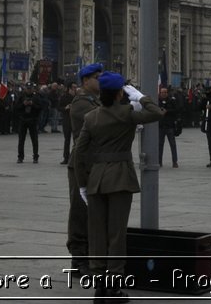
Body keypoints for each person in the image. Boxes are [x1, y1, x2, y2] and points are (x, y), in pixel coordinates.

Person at [72, 72, 164, 297]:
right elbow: (157, 113)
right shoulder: (127, 113)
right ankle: (113, 284)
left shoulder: (91, 117)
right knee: (116, 234)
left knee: (96, 233)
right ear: (120, 93)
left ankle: (99, 283)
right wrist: (141, 97)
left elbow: (79, 154)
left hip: (95, 181)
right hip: (120, 178)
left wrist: (82, 184)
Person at [64, 63, 103, 277]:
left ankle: (91, 255)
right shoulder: (80, 103)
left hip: (97, 163)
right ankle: (78, 260)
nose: (100, 80)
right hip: (81, 165)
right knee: (80, 212)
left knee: (94, 213)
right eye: (97, 77)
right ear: (86, 80)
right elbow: (101, 121)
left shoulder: (96, 101)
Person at [16, 84, 42, 163]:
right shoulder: (21, 96)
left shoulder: (36, 97)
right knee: (21, 140)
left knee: (34, 140)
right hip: (23, 119)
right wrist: (23, 104)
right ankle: (20, 157)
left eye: (30, 89)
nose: (29, 90)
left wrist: (32, 104)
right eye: (27, 88)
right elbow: (16, 107)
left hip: (32, 120)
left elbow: (40, 107)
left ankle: (35, 156)